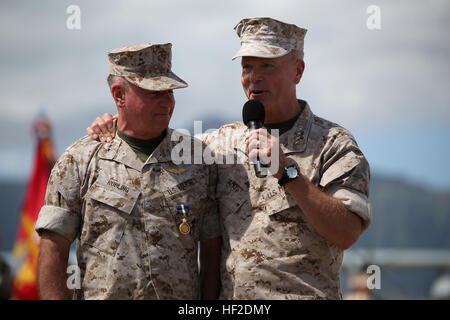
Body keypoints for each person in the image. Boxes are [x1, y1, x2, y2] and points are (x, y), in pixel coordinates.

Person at [87, 17, 371, 300]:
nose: (253, 77)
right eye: (247, 66)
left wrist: (288, 173)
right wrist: (117, 124)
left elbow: (347, 233)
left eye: (267, 65)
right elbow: (150, 144)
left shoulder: (333, 144)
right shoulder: (217, 145)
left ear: (298, 71)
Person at [35, 43, 221, 300]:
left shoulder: (198, 160)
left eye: (170, 91)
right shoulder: (78, 160)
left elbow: (212, 251)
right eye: (154, 92)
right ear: (119, 95)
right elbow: (53, 252)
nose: (167, 100)